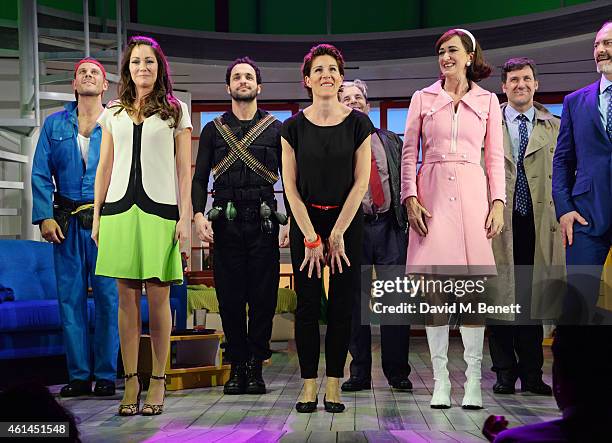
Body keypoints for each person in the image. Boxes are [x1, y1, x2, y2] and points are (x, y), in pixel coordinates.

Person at [400, 28, 505, 409]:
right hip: (432, 198)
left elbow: (494, 156)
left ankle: (474, 380)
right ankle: (442, 380)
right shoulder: (422, 97)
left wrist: (498, 202)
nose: (445, 57)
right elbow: (409, 152)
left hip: (474, 197)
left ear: (469, 55)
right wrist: (409, 197)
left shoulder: (489, 100)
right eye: (441, 51)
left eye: (452, 50)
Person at [93, 36, 192, 416]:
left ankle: (158, 379)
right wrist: (98, 216)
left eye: (149, 62)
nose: (142, 68)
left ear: (159, 67)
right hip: (119, 211)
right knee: (126, 299)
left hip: (160, 211)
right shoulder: (113, 111)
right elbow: (104, 167)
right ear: (127, 69)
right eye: (136, 62)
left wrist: (184, 216)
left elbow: (185, 171)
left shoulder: (175, 110)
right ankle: (130, 380)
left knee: (159, 297)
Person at [281, 44, 373, 413]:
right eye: (319, 70)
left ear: (340, 77)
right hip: (307, 224)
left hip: (346, 223)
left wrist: (336, 234)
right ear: (307, 79)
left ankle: (333, 382)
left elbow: (361, 183)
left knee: (342, 307)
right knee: (306, 307)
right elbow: (289, 187)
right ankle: (308, 385)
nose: (326, 75)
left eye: (333, 69)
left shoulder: (358, 124)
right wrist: (311, 237)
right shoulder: (292, 127)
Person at [192, 57, 286, 395]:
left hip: (264, 223)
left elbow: (290, 179)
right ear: (228, 87)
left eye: (248, 77)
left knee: (263, 298)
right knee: (229, 299)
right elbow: (200, 176)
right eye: (237, 77)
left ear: (258, 86)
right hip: (226, 223)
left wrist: (289, 220)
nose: (243, 81)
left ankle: (255, 367)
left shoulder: (277, 129)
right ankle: (236, 366)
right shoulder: (213, 129)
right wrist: (198, 215)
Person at [31, 58, 119, 398]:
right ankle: (80, 376)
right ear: (74, 84)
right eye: (82, 72)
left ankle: (107, 375)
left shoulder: (116, 122)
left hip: (106, 223)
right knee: (70, 301)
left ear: (104, 85)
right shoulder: (54, 124)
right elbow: (40, 172)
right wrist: (44, 215)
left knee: (109, 300)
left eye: (94, 72)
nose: (88, 75)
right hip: (65, 223)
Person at [488, 58, 562, 396]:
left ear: (536, 84)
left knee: (531, 302)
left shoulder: (555, 125)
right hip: (497, 223)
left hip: (539, 222)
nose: (521, 84)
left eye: (527, 78)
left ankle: (532, 376)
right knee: (499, 300)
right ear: (503, 86)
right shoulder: (488, 122)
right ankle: (504, 372)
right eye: (514, 79)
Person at [338, 79, 412, 393]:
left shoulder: (391, 140)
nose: (353, 102)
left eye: (358, 97)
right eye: (347, 98)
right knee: (355, 303)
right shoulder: (335, 142)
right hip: (354, 229)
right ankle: (359, 373)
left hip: (390, 227)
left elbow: (406, 179)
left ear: (367, 104)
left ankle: (397, 372)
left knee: (396, 301)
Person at [552, 20, 612, 323]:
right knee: (577, 307)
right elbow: (562, 161)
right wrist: (564, 209)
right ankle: (574, 372)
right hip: (586, 217)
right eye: (597, 45)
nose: (601, 50)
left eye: (608, 44)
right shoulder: (574, 101)